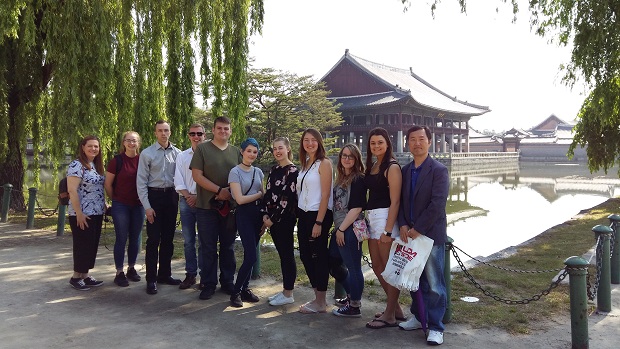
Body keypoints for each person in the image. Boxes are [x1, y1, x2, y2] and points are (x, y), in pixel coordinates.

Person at [397, 125, 449, 346]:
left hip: (430, 235)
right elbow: (399, 201)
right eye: (412, 139)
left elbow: (437, 204)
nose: (416, 143)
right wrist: (402, 224)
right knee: (414, 279)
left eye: (421, 139)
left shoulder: (438, 170)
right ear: (407, 143)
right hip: (409, 233)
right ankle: (419, 317)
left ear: (429, 141)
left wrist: (418, 228)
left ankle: (436, 327)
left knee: (435, 283)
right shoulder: (406, 170)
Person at [191, 116, 241, 300]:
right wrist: (219, 190)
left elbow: (242, 175)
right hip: (206, 206)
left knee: (228, 246)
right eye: (219, 128)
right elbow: (197, 176)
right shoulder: (202, 149)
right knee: (208, 247)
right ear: (213, 130)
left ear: (230, 130)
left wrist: (229, 193)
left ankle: (227, 281)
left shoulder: (236, 152)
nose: (223, 131)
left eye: (226, 129)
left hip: (230, 207)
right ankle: (208, 283)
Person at [363, 127, 405, 329]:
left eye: (380, 142)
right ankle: (395, 309)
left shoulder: (392, 166)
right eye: (373, 143)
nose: (376, 146)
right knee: (377, 266)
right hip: (372, 218)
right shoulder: (372, 165)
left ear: (387, 143)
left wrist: (388, 231)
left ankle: (389, 315)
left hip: (385, 218)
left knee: (389, 268)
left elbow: (395, 201)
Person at [136, 120, 182, 295]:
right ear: (155, 133)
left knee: (168, 239)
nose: (163, 133)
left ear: (170, 132)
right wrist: (147, 207)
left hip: (171, 196)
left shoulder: (178, 153)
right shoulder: (147, 154)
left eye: (166, 130)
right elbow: (141, 183)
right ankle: (151, 279)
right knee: (153, 239)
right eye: (160, 130)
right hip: (153, 196)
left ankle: (165, 274)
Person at [296, 128, 334, 314]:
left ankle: (321, 302)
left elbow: (326, 194)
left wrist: (318, 222)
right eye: (306, 140)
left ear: (319, 142)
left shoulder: (324, 163)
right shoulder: (305, 164)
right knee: (305, 254)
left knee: (318, 256)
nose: (309, 143)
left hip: (317, 214)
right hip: (303, 214)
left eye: (313, 140)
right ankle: (316, 296)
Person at [104, 131, 145, 287]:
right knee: (121, 238)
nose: (131, 143)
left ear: (138, 143)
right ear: (123, 143)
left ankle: (131, 268)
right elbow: (108, 184)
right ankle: (119, 272)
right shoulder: (117, 161)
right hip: (121, 204)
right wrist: (115, 199)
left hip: (139, 205)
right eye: (128, 140)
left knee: (135, 237)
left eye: (134, 141)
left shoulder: (143, 160)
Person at [261, 137, 299, 306]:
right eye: (275, 148)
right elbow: (268, 193)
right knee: (282, 254)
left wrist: (273, 219)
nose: (277, 151)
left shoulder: (292, 171)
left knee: (287, 255)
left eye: (281, 148)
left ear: (288, 149)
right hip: (271, 218)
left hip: (284, 219)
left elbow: (287, 198)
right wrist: (265, 215)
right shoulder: (274, 169)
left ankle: (288, 293)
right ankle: (284, 291)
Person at [331, 144, 367, 317]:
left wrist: (342, 229)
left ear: (356, 159)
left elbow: (356, 208)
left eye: (350, 157)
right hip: (339, 228)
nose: (346, 159)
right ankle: (351, 294)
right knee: (332, 262)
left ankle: (354, 306)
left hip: (350, 228)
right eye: (344, 155)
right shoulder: (339, 178)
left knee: (354, 267)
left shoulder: (358, 179)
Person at [228, 138, 264, 307]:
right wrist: (259, 195)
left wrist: (264, 218)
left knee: (253, 256)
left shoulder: (258, 172)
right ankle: (235, 292)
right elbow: (240, 199)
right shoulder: (235, 172)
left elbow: (264, 194)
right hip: (244, 214)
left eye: (255, 152)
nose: (251, 154)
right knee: (250, 255)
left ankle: (245, 289)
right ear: (242, 151)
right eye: (249, 151)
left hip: (257, 215)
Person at [67, 135, 106, 290]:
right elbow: (72, 190)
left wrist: (104, 203)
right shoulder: (77, 165)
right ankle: (76, 277)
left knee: (91, 245)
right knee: (82, 244)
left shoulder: (95, 165)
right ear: (83, 147)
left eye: (96, 146)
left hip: (96, 211)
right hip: (82, 213)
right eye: (90, 146)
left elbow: (97, 188)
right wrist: (79, 213)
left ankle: (85, 275)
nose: (93, 149)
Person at [174, 123, 206, 290]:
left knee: (204, 241)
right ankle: (190, 274)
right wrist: (189, 196)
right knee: (188, 241)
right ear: (188, 136)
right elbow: (178, 180)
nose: (196, 136)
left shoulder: (209, 154)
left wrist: (198, 197)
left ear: (204, 135)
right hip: (186, 202)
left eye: (199, 133)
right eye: (193, 133)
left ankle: (205, 275)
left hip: (204, 202)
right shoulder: (182, 156)